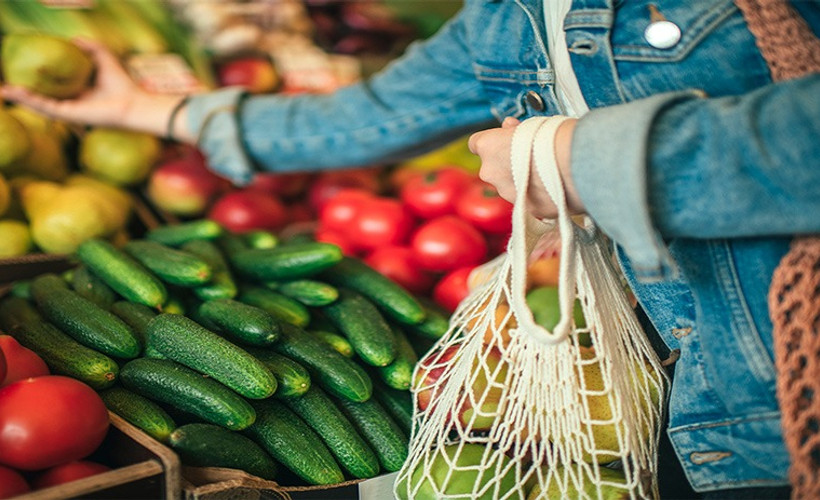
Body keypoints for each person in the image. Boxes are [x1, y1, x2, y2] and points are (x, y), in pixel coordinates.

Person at [4, 1, 819, 498]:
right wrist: (150, 111)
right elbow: (370, 116)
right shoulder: (508, 12)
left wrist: (582, 160)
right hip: (686, 394)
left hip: (786, 393)